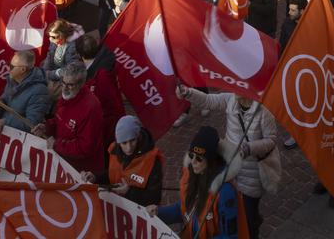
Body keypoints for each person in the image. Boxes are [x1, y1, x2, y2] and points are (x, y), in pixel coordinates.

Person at [177, 85, 280, 237]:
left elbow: (271, 140)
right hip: (231, 165)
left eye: (238, 86)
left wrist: (248, 148)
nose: (233, 89)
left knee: (249, 216)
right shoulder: (231, 99)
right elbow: (208, 100)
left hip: (252, 173)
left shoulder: (264, 111)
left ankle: (252, 229)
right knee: (234, 207)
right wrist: (188, 93)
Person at [148, 125, 248, 238]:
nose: (193, 161)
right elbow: (183, 209)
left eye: (199, 158)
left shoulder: (225, 192)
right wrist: (158, 213)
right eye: (191, 155)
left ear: (210, 161)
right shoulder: (191, 175)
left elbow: (230, 236)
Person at [35, 61, 105, 178]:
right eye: (63, 82)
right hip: (65, 164)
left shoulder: (91, 107)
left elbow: (85, 147)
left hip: (82, 172)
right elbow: (60, 121)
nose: (65, 88)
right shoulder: (66, 97)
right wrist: (46, 127)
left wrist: (57, 144)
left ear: (81, 84)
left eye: (70, 85)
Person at [95, 115, 165, 207]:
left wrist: (128, 191)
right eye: (124, 143)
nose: (129, 148)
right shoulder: (114, 150)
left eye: (132, 141)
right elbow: (112, 173)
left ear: (138, 136)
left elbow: (154, 198)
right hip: (117, 207)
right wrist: (95, 177)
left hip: (139, 214)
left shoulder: (152, 161)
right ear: (118, 142)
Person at [73, 34, 123, 146]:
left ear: (80, 55)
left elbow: (108, 104)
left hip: (108, 128)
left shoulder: (100, 76)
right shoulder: (105, 62)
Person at [0, 49, 51, 133]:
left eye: (12, 66)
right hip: (5, 135)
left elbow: (32, 124)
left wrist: (6, 122)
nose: (9, 68)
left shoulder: (39, 91)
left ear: (23, 69)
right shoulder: (12, 82)